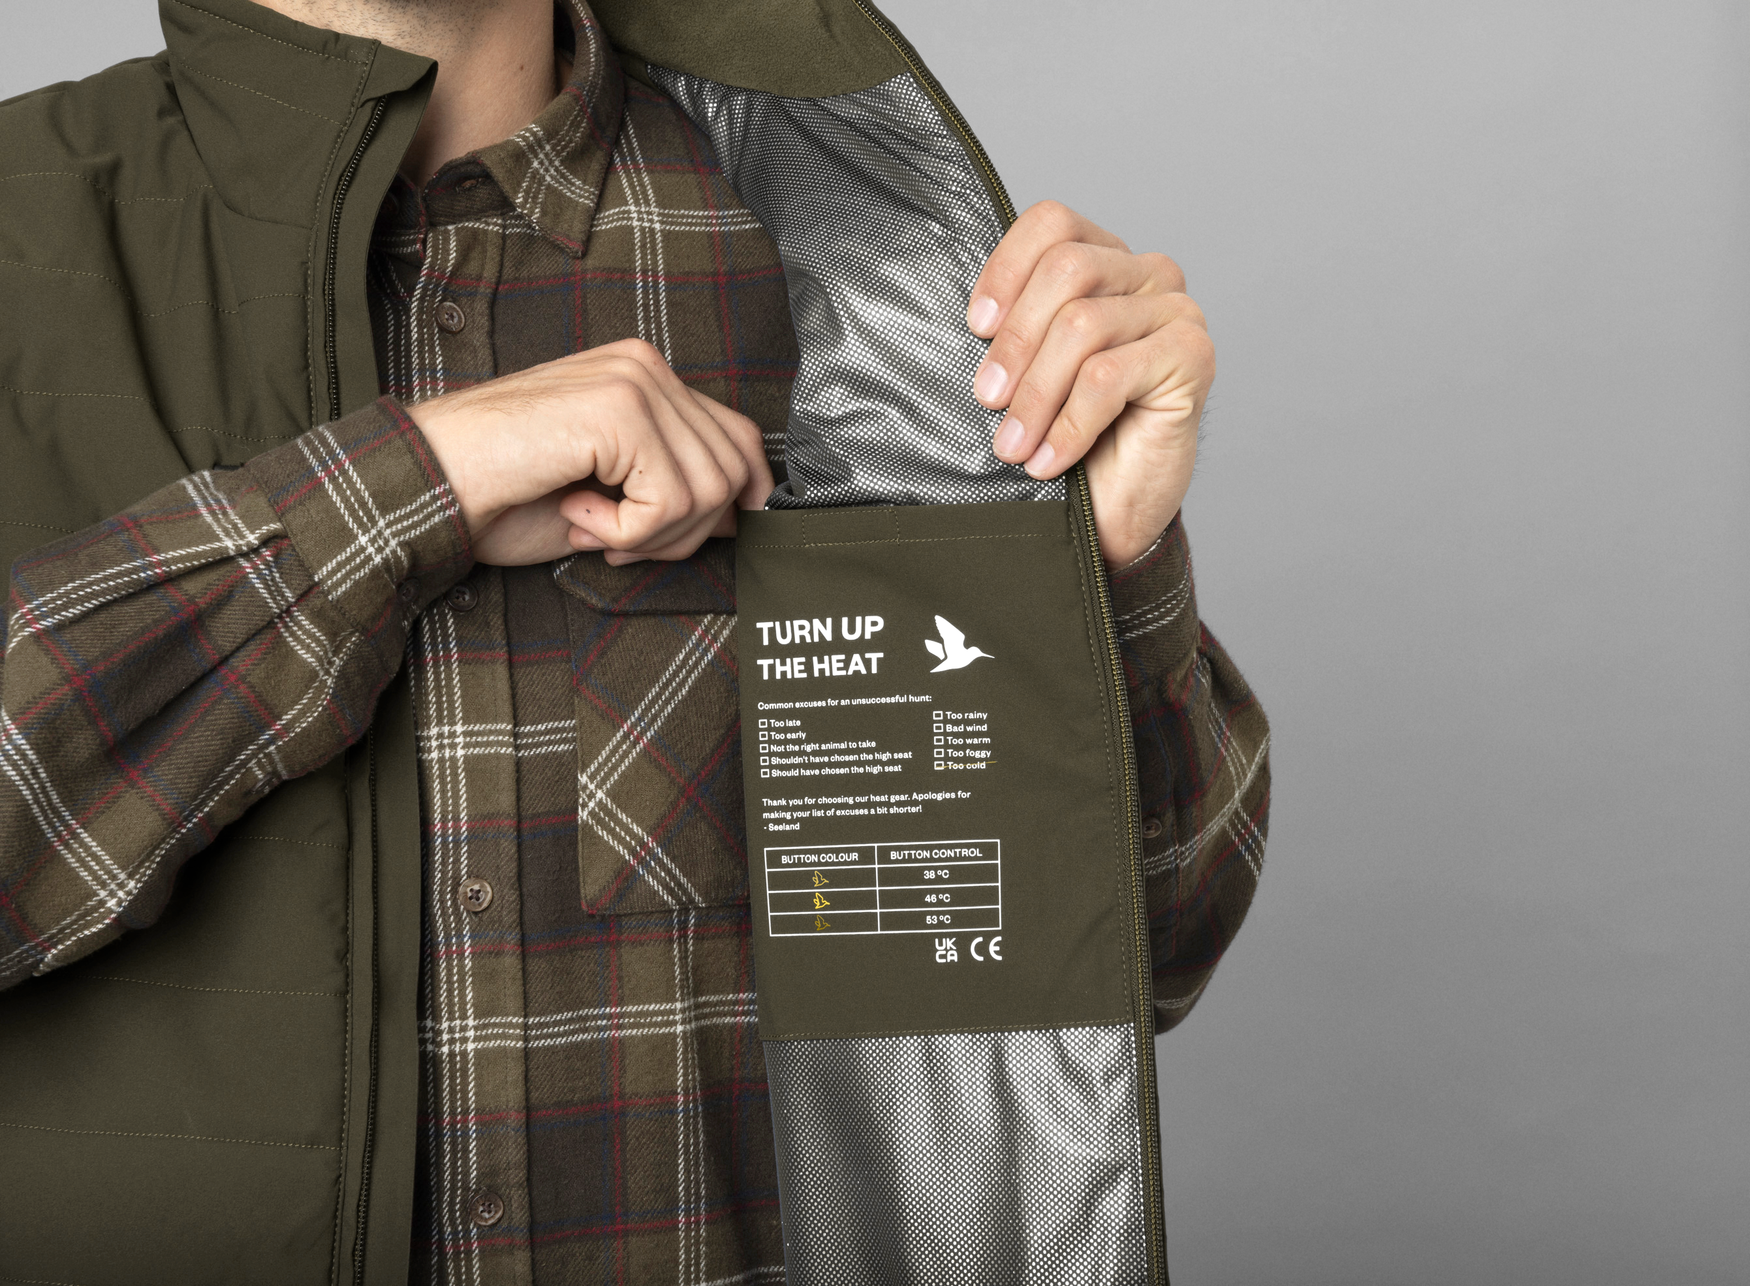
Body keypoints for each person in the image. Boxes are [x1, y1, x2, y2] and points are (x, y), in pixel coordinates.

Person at [0, 0, 1271, 1279]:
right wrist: (413, 484)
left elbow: (1137, 962)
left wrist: (1087, 588)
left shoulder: (859, 260)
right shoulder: (20, 230)